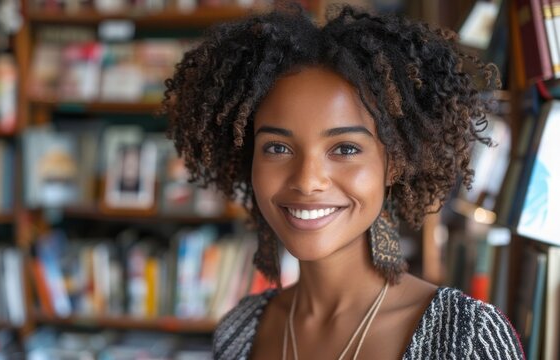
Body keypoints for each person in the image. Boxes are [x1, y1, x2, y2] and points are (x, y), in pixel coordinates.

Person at [162, 5, 523, 360]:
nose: (307, 181)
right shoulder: (240, 331)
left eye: (345, 148)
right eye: (277, 147)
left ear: (394, 162)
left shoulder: (464, 339)